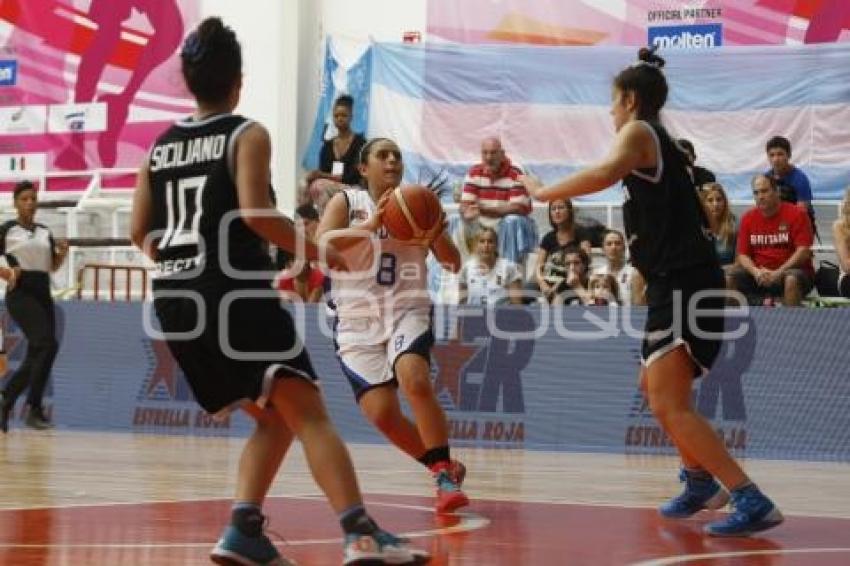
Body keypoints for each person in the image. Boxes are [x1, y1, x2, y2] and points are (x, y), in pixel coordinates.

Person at [129, 18, 427, 566]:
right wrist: (317, 250)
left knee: (274, 414)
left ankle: (243, 529)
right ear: (237, 82)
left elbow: (139, 233)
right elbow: (254, 212)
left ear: (189, 82)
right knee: (309, 411)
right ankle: (360, 534)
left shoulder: (159, 147)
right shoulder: (246, 133)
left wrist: (184, 265)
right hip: (228, 294)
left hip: (173, 301)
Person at [522, 47, 783, 537]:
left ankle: (750, 497)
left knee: (668, 402)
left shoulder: (640, 133)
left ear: (631, 99)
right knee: (654, 390)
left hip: (685, 281)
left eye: (613, 101)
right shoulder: (662, 143)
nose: (609, 111)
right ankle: (701, 479)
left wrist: (543, 193)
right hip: (678, 280)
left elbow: (601, 174)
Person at [317, 137, 470, 514]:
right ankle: (440, 463)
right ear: (363, 168)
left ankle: (443, 478)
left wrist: (434, 234)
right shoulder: (347, 203)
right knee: (382, 415)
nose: (391, 161)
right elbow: (319, 248)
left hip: (406, 308)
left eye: (397, 156)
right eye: (382, 155)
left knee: (414, 379)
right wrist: (371, 225)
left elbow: (453, 264)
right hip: (355, 320)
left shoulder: (419, 204)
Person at [0, 180, 68, 432]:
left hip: (42, 291)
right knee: (45, 344)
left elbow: (52, 266)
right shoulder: (7, 229)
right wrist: (5, 273)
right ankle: (33, 408)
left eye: (33, 198)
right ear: (15, 203)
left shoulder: (44, 231)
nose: (30, 203)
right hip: (21, 292)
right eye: (24, 199)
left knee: (43, 350)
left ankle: (7, 400)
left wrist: (62, 254)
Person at [729, 174, 814, 306]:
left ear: (776, 191)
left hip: (791, 273)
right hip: (759, 276)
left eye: (764, 191)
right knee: (730, 277)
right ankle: (734, 324)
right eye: (756, 193)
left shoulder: (798, 214)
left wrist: (779, 272)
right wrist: (756, 272)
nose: (760, 196)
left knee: (791, 279)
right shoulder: (747, 218)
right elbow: (743, 255)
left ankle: (792, 325)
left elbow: (803, 251)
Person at [460, 137, 537, 266]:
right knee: (455, 220)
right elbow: (466, 204)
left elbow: (518, 208)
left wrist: (484, 210)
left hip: (511, 224)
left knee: (511, 221)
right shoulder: (474, 171)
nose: (489, 157)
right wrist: (465, 213)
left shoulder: (515, 171)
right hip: (484, 221)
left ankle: (509, 274)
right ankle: (457, 275)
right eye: (485, 153)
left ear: (502, 154)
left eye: (493, 153)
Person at [303, 95, 367, 204]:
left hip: (353, 187)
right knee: (303, 184)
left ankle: (327, 220)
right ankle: (307, 217)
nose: (339, 119)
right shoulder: (327, 146)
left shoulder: (360, 143)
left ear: (351, 116)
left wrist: (323, 175)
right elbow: (322, 169)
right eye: (336, 116)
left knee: (319, 186)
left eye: (343, 115)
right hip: (329, 186)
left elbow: (353, 176)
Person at [531, 199, 591, 302]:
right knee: (525, 290)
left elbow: (586, 260)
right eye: (553, 209)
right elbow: (538, 267)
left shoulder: (581, 233)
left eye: (561, 208)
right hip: (548, 279)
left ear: (569, 211)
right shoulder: (548, 237)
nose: (557, 211)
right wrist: (542, 284)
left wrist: (558, 285)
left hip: (572, 279)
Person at [459, 228, 523, 306]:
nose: (486, 245)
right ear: (476, 245)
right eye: (482, 241)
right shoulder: (467, 267)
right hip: (474, 316)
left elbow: (517, 305)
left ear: (496, 245)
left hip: (501, 316)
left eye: (490, 241)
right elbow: (461, 302)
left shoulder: (509, 267)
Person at [593, 229, 644, 306]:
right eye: (609, 244)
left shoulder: (634, 274)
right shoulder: (597, 273)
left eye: (617, 243)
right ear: (603, 249)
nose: (613, 247)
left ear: (624, 248)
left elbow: (639, 310)